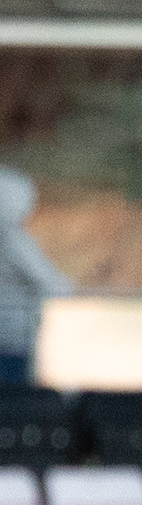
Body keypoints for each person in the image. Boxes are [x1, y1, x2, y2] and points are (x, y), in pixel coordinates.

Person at [0, 167, 72, 389]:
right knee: (13, 398)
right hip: (12, 340)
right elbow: (54, 285)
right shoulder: (14, 242)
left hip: (11, 339)